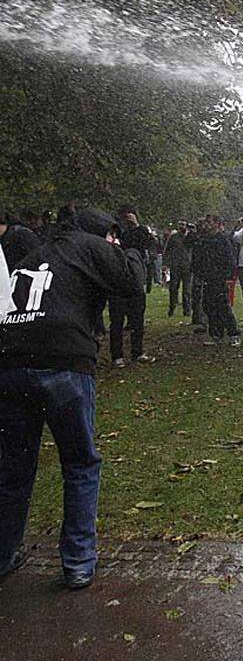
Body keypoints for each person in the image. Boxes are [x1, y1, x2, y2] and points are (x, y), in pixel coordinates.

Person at [0, 207, 143, 589]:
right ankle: (78, 561)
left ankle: (3, 552)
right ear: (100, 234)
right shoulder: (91, 246)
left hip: (10, 362)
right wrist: (126, 246)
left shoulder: (38, 251)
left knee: (14, 467)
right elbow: (132, 283)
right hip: (64, 362)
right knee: (80, 463)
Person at [110, 207, 155, 367]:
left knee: (136, 319)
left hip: (134, 280)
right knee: (117, 320)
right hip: (119, 280)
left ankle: (136, 352)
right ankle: (118, 355)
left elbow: (150, 244)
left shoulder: (139, 232)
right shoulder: (115, 232)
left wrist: (136, 227)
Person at [192, 216, 240, 346]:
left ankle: (233, 333)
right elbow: (198, 258)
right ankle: (216, 334)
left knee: (223, 306)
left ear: (217, 224)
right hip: (208, 277)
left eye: (209, 223)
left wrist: (228, 276)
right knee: (209, 305)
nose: (206, 225)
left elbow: (229, 259)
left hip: (219, 277)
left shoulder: (222, 240)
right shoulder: (204, 240)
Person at [164, 220, 192, 319]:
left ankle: (187, 310)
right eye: (180, 224)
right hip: (175, 265)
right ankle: (172, 308)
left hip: (187, 266)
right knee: (173, 288)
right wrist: (166, 264)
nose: (181, 226)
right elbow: (167, 250)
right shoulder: (173, 237)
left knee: (187, 290)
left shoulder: (190, 237)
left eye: (183, 224)